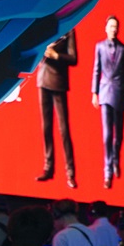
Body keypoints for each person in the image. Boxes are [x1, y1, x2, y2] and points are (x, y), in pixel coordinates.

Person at [92, 15, 124, 189]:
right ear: (106, 28)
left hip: (119, 93)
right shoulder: (100, 47)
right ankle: (107, 171)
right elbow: (96, 70)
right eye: (110, 26)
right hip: (104, 93)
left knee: (119, 134)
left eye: (115, 26)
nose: (113, 29)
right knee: (107, 134)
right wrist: (94, 92)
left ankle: (116, 158)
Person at [35, 30, 78, 188]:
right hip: (43, 80)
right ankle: (48, 168)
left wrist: (56, 56)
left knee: (63, 129)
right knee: (46, 127)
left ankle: (70, 172)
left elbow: (73, 58)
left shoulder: (69, 29)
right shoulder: (44, 26)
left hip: (58, 81)